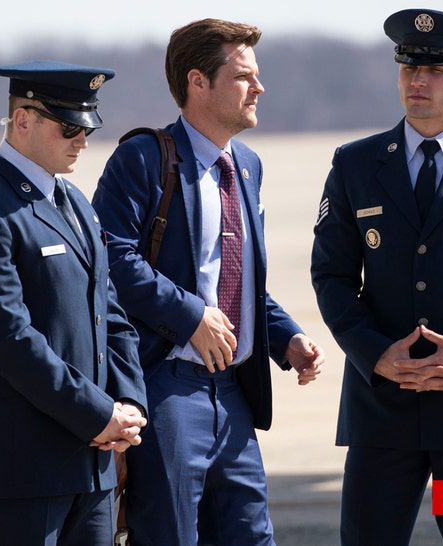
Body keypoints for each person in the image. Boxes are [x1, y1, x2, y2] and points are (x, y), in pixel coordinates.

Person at [91, 18, 325, 545]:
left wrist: (286, 338)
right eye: (244, 76)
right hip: (169, 388)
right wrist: (189, 315)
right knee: (170, 535)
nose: (259, 88)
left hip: (235, 392)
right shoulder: (144, 157)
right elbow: (109, 256)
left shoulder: (247, 166)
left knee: (251, 534)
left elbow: (240, 282)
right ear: (199, 82)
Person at [311, 9, 443, 546]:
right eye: (409, 68)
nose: (419, 81)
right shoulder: (354, 164)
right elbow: (332, 275)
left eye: (437, 69)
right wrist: (375, 355)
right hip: (381, 407)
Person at [0, 60, 148, 546]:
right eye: (70, 127)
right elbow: (4, 337)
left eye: (87, 127)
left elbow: (111, 315)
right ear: (23, 120)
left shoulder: (75, 203)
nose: (83, 141)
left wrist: (127, 405)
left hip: (89, 464)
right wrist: (97, 414)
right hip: (18, 469)